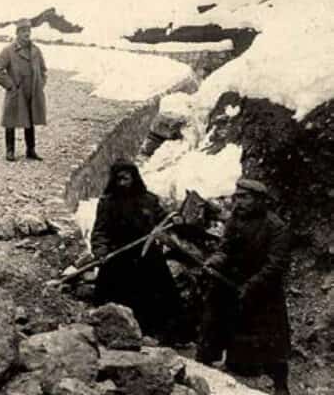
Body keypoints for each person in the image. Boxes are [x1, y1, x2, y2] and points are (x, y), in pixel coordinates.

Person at [197, 178, 291, 395]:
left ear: (259, 200)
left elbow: (275, 265)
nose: (238, 202)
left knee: (273, 340)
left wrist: (251, 286)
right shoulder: (235, 221)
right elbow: (225, 248)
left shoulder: (276, 227)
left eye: (244, 198)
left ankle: (281, 386)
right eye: (237, 197)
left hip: (264, 291)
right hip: (232, 285)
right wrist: (216, 260)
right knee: (215, 325)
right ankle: (205, 372)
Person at [91, 160, 180, 340]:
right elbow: (100, 232)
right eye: (118, 179)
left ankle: (160, 335)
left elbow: (164, 218)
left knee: (159, 296)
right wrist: (101, 251)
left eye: (126, 178)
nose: (122, 183)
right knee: (117, 299)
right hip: (119, 256)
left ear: (134, 178)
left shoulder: (149, 200)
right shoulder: (107, 203)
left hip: (147, 256)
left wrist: (175, 220)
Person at [0, 19, 48, 161]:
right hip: (16, 92)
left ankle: (31, 150)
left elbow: (43, 70)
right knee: (10, 121)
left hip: (32, 92)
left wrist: (40, 85)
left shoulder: (36, 50)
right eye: (23, 31)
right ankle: (10, 151)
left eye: (28, 31)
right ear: (17, 33)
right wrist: (10, 86)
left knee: (30, 120)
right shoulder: (8, 51)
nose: (26, 34)